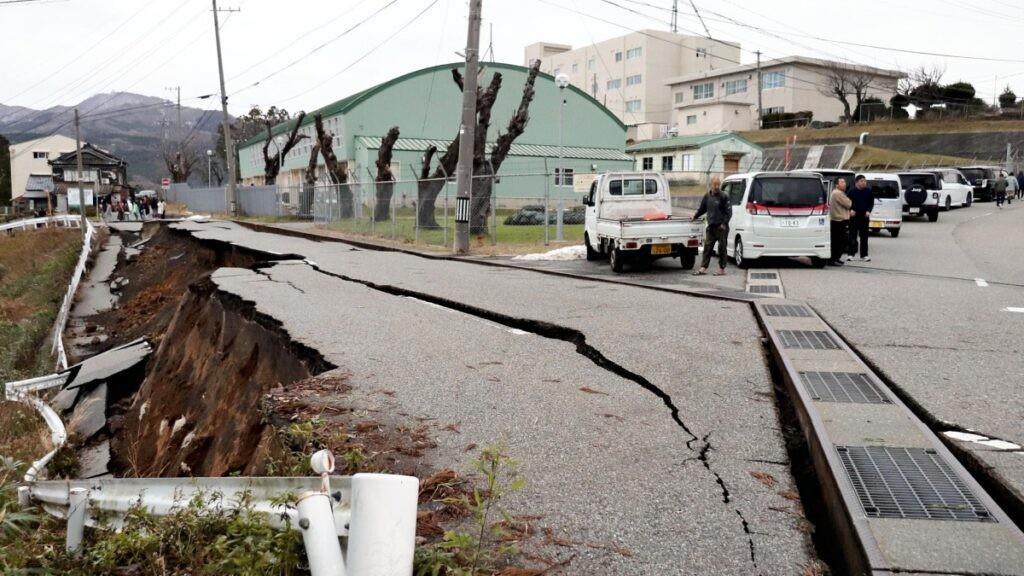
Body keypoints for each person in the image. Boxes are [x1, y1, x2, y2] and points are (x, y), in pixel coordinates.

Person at [691, 176, 732, 276]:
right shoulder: (707, 196)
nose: (717, 186)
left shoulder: (724, 196)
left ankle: (722, 269)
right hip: (711, 227)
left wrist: (724, 224)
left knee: (722, 248)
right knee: (707, 247)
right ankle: (703, 267)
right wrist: (695, 216)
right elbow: (702, 209)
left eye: (718, 184)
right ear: (711, 185)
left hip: (721, 227)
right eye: (715, 184)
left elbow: (729, 212)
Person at [847, 175, 874, 262]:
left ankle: (864, 255)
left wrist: (869, 211)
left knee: (864, 236)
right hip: (854, 216)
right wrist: (850, 210)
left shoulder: (869, 191)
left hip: (864, 216)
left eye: (865, 181)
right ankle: (851, 254)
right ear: (857, 182)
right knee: (852, 236)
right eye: (862, 181)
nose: (864, 182)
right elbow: (847, 203)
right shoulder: (851, 192)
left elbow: (871, 203)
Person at [828, 177, 852, 266]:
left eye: (844, 182)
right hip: (839, 220)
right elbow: (849, 204)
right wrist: (849, 201)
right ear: (837, 185)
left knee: (838, 241)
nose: (844, 184)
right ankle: (833, 259)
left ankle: (836, 258)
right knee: (839, 241)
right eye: (842, 182)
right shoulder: (838, 193)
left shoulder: (838, 193)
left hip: (837, 220)